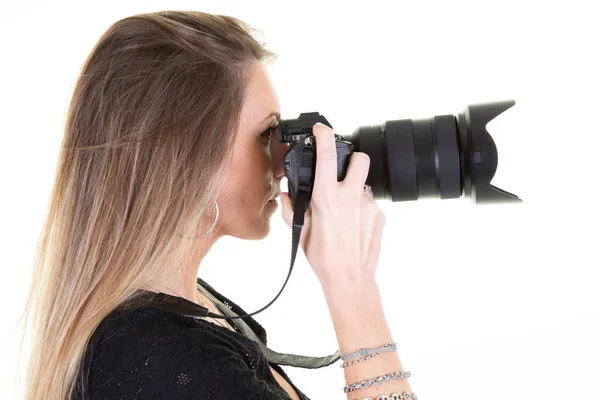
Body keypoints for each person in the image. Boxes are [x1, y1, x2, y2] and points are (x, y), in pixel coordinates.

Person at [17, 10, 416, 400]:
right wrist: (351, 283)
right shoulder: (162, 357)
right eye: (265, 135)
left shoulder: (190, 309)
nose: (283, 163)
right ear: (187, 160)